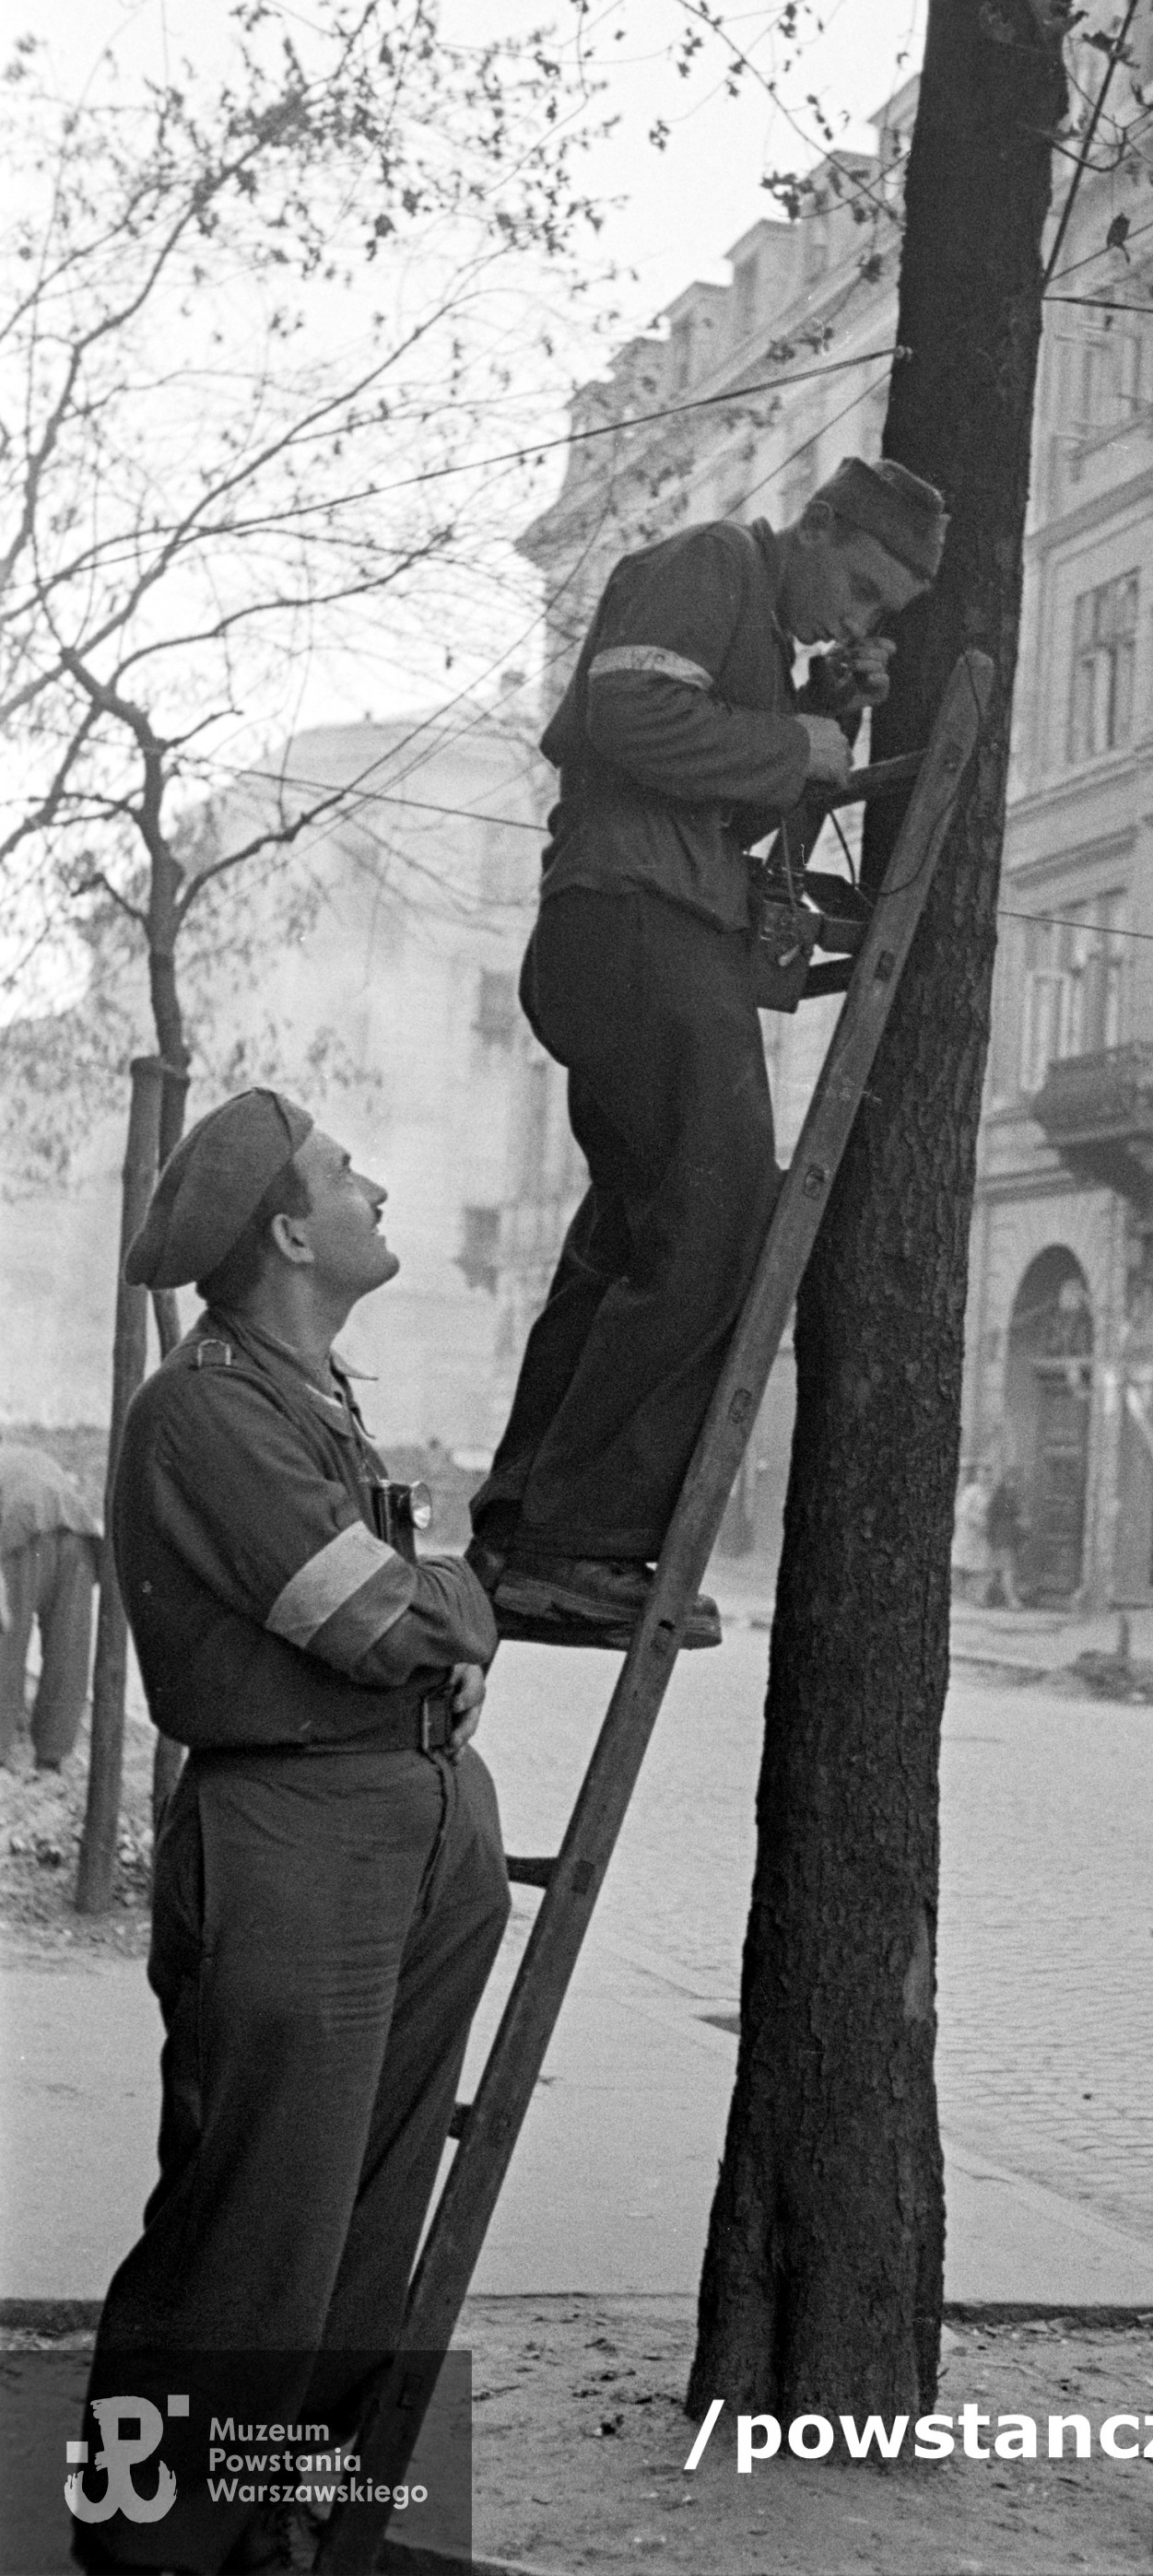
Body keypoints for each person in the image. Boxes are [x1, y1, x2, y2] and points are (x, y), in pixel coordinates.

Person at [71, 1089, 507, 2576]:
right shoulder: (205, 1407)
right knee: (260, 2217)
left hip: (414, 1817)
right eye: (342, 1171)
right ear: (286, 1227)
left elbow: (397, 1610)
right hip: (297, 1831)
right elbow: (380, 1613)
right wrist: (460, 1604)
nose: (374, 1184)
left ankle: (277, 2511)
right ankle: (147, 2542)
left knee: (368, 2213)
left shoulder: (313, 1394)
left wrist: (438, 1614)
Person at [467, 455, 947, 1649]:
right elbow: (629, 716)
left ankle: (524, 1525)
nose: (863, 614)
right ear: (817, 526)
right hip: (639, 922)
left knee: (635, 1231)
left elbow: (719, 792)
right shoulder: (712, 563)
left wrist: (827, 709)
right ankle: (576, 1544)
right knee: (725, 1207)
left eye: (885, 612)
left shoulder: (759, 630)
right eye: (863, 585)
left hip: (635, 923)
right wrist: (797, 742)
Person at [0, 1441, 101, 1771]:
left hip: (22, 1531)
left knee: (6, 1647)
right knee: (69, 1649)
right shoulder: (25, 1455)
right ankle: (52, 1755)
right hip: (78, 1532)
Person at [983, 1464, 1028, 1608]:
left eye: (1016, 1480)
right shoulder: (1001, 1496)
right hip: (1002, 1536)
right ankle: (1012, 1600)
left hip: (1010, 1537)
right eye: (1012, 1480)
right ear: (1006, 1479)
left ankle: (987, 1598)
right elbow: (991, 1516)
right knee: (1007, 1568)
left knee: (999, 1569)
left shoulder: (1013, 1495)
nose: (1014, 1483)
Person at [950, 1462, 994, 1604]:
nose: (986, 1477)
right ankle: (958, 1595)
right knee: (961, 1562)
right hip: (968, 1531)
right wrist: (975, 1521)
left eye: (989, 1473)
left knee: (981, 1565)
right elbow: (962, 1511)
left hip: (983, 1534)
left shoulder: (990, 1491)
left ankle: (977, 1596)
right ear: (977, 1475)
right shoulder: (971, 1491)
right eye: (983, 1473)